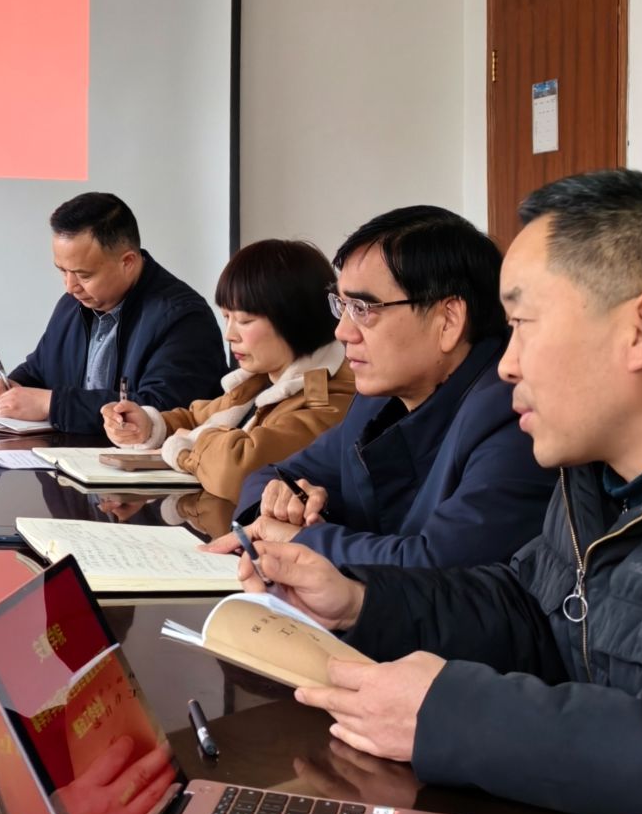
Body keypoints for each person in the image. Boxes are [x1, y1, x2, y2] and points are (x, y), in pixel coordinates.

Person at [247, 170, 642, 814]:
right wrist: (362, 600)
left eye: (522, 326)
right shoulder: (598, 471)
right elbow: (532, 607)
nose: (506, 365)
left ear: (641, 330)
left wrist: (455, 717)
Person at [212, 205, 551, 568]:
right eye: (342, 306)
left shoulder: (512, 413)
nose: (342, 331)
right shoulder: (375, 402)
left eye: (362, 308)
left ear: (448, 320)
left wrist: (301, 540)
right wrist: (285, 501)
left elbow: (437, 563)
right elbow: (272, 475)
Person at [100, 238, 355, 499]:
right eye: (226, 317)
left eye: (244, 320)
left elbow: (239, 470)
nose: (229, 334)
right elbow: (196, 418)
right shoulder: (259, 380)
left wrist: (188, 444)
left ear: (296, 318)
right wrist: (148, 425)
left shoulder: (328, 397)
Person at [0, 192, 226, 434]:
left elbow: (162, 411)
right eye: (62, 271)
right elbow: (40, 370)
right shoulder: (71, 305)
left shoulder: (184, 318)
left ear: (128, 262)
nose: (70, 287)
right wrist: (11, 387)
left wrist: (53, 404)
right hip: (65, 454)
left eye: (84, 275)